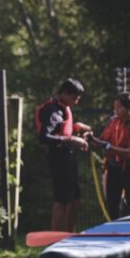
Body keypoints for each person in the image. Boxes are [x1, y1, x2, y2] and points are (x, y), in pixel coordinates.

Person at [36, 78, 92, 232]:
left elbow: (61, 129)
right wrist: (72, 139)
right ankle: (55, 241)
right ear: (65, 94)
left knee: (75, 202)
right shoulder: (53, 110)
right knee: (62, 201)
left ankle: (68, 237)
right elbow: (44, 137)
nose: (77, 101)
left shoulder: (63, 108)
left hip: (68, 157)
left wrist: (76, 128)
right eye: (75, 97)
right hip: (58, 158)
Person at [92, 91, 130, 219]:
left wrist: (109, 148)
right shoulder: (113, 121)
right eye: (115, 107)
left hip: (129, 170)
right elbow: (101, 140)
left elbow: (129, 153)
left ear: (129, 109)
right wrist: (89, 138)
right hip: (113, 168)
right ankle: (115, 233)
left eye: (119, 107)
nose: (116, 110)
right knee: (113, 205)